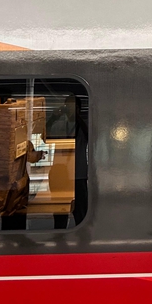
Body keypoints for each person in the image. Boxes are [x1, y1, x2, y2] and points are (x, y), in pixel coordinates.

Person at [54, 95, 89, 230]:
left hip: (78, 174)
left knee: (81, 212)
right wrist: (54, 116)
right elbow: (42, 133)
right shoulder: (60, 125)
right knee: (60, 211)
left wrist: (77, 117)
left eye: (72, 107)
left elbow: (90, 137)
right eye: (67, 107)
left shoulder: (82, 127)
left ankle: (82, 236)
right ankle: (59, 235)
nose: (68, 110)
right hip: (61, 174)